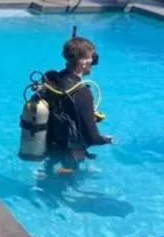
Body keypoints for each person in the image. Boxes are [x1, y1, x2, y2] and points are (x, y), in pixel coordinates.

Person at [41, 36, 113, 173]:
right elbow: (93, 138)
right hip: (70, 151)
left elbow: (62, 110)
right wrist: (106, 140)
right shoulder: (81, 92)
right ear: (83, 63)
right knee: (68, 178)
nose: (93, 62)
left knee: (48, 174)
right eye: (92, 58)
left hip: (50, 143)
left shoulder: (53, 80)